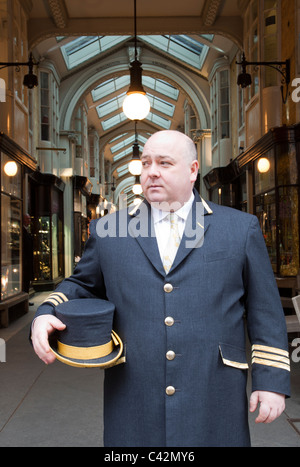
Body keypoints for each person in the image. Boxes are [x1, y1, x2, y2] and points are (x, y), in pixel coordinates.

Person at [31, 130, 290, 447]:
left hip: (213, 390)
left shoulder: (238, 228)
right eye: (146, 163)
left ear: (193, 170)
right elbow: (81, 284)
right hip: (134, 393)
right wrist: (45, 313)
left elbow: (265, 310)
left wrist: (272, 380)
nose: (151, 171)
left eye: (165, 163)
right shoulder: (110, 230)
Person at [22, 213, 34, 305]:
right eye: (28, 219)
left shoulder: (26, 230)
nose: (29, 221)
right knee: (24, 281)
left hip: (28, 261)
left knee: (27, 281)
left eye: (30, 219)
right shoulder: (22, 231)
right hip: (24, 262)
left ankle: (25, 299)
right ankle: (24, 300)